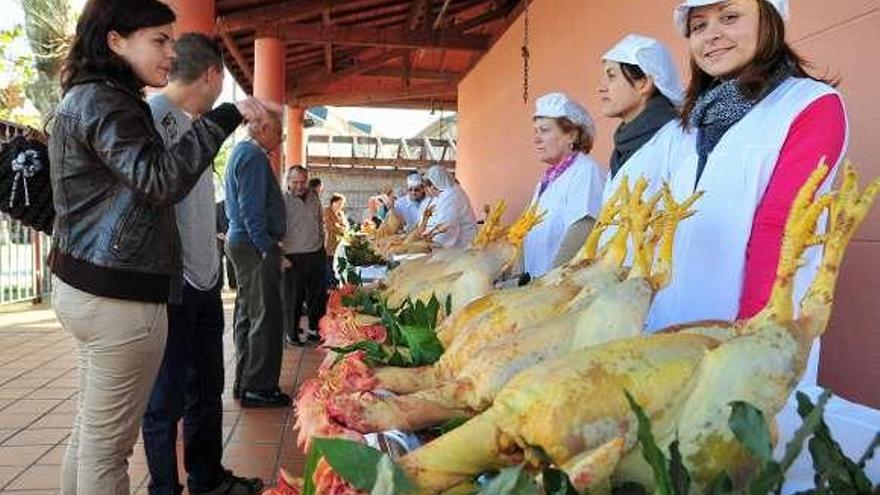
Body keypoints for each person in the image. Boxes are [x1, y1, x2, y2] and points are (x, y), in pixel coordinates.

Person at [47, 1, 272, 493]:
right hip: (118, 296)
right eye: (160, 40)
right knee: (107, 453)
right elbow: (159, 178)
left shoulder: (87, 97)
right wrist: (225, 117)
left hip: (87, 282)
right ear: (115, 40)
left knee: (90, 436)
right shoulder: (109, 103)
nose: (172, 53)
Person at [639, 0, 847, 386]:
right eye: (698, 26)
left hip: (753, 336)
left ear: (769, 21)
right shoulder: (690, 122)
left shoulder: (811, 106)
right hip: (668, 326)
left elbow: (780, 227)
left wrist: (751, 340)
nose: (711, 35)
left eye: (730, 17)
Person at [140, 34, 263, 495]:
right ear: (212, 75)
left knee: (208, 387)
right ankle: (164, 488)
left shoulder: (192, 123)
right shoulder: (152, 119)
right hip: (171, 283)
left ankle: (207, 477)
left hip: (205, 277)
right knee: (165, 400)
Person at [225, 110, 290, 408]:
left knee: (248, 313)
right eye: (279, 132)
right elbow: (250, 209)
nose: (281, 139)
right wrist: (266, 246)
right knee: (265, 317)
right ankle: (260, 387)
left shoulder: (242, 152)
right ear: (263, 128)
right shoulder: (252, 157)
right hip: (254, 246)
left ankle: (245, 382)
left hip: (245, 243)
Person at [521, 92, 606, 278]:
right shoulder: (547, 179)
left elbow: (582, 229)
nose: (536, 138)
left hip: (559, 289)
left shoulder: (586, 171)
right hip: (535, 287)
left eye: (544, 130)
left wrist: (549, 283)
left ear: (571, 135)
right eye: (536, 131)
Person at [598, 34, 684, 199]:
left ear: (644, 83)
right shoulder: (623, 146)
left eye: (611, 76)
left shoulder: (677, 139)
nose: (600, 87)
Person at [281, 165, 327, 346]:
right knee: (294, 298)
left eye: (303, 182)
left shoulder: (314, 197)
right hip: (293, 256)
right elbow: (274, 230)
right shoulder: (281, 200)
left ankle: (314, 330)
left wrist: (321, 243)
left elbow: (319, 221)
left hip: (315, 253)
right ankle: (291, 334)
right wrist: (280, 256)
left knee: (317, 296)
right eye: (295, 182)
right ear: (288, 182)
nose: (300, 186)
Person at [422, 165, 477, 248]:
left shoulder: (451, 195)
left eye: (427, 186)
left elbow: (447, 226)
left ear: (434, 185)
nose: (426, 190)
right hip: (456, 244)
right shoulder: (445, 194)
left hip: (463, 244)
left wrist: (432, 244)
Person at [324, 193, 350, 288]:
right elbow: (330, 226)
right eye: (339, 203)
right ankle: (329, 285)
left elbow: (346, 226)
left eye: (342, 204)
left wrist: (340, 227)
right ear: (333, 202)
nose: (341, 205)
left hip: (340, 243)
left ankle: (336, 283)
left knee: (338, 263)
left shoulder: (341, 213)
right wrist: (340, 227)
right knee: (329, 263)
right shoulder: (327, 211)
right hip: (329, 242)